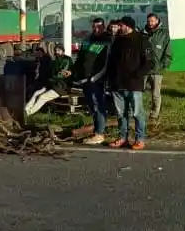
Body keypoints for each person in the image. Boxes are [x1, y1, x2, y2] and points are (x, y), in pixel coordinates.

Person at [106, 16, 153, 150]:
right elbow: (111, 61)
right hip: (117, 84)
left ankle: (140, 139)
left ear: (128, 26)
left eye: (121, 25)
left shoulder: (141, 39)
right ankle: (123, 138)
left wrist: (137, 75)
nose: (119, 28)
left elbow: (148, 62)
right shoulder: (117, 40)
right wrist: (110, 78)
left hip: (134, 84)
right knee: (121, 114)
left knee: (137, 113)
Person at [72, 17, 112, 145]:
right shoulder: (88, 39)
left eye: (99, 27)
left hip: (97, 79)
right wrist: (75, 74)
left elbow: (105, 63)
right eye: (94, 27)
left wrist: (96, 77)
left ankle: (100, 134)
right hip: (84, 79)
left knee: (98, 105)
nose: (96, 29)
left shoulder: (107, 41)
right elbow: (80, 59)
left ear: (104, 27)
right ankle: (96, 130)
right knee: (91, 107)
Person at [24, 44, 73, 116]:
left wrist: (52, 78)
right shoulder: (54, 60)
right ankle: (25, 109)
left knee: (42, 97)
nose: (57, 52)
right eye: (56, 50)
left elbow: (61, 74)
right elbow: (51, 73)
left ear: (63, 51)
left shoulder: (66, 60)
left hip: (61, 86)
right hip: (53, 84)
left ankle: (29, 112)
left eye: (59, 50)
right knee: (36, 93)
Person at [144, 13, 172, 120]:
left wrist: (162, 65)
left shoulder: (164, 34)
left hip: (156, 69)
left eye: (152, 21)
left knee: (155, 94)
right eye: (148, 21)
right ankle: (138, 111)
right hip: (144, 69)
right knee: (138, 92)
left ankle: (154, 114)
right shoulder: (143, 33)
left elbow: (168, 52)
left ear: (157, 21)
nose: (150, 23)